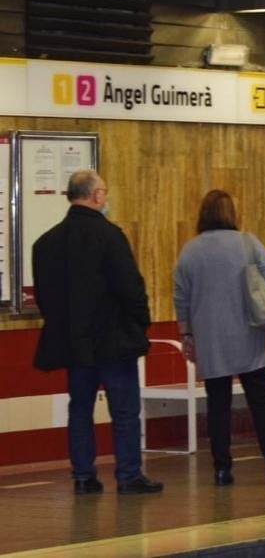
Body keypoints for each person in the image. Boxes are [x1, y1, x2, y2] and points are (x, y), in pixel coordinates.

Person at [32, 170, 162, 495]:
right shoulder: (109, 236)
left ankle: (83, 475)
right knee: (124, 411)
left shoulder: (45, 243)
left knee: (80, 409)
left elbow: (45, 297)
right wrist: (139, 323)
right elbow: (131, 287)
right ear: (96, 196)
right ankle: (129, 475)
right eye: (104, 191)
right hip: (114, 341)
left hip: (75, 344)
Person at [173, 190, 265, 486]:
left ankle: (221, 468)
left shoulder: (190, 250)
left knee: (218, 403)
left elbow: (180, 296)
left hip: (210, 337)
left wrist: (186, 335)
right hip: (248, 333)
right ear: (232, 213)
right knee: (260, 401)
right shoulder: (248, 242)